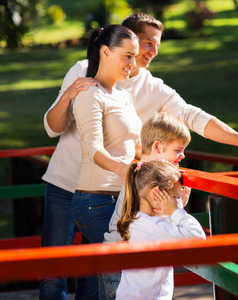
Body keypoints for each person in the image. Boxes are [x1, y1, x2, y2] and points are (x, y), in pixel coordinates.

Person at [40, 12, 238, 300]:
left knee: (97, 275)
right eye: (147, 43)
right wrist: (68, 97)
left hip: (115, 192)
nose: (151, 52)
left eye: (156, 46)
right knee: (53, 276)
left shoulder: (150, 88)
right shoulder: (83, 71)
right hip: (68, 185)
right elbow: (53, 129)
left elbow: (192, 116)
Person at [70, 24, 141, 299]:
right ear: (105, 52)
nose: (132, 64)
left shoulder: (123, 96)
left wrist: (162, 160)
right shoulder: (90, 94)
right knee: (118, 278)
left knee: (108, 280)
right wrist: (124, 170)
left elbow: (134, 146)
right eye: (127, 56)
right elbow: (93, 149)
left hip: (121, 197)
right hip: (96, 200)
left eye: (134, 57)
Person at [99, 112, 191, 299]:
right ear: (157, 146)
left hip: (113, 258)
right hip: (126, 266)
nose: (182, 156)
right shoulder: (155, 181)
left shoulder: (139, 173)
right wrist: (177, 205)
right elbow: (162, 220)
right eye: (178, 150)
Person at [115, 160, 206, 300]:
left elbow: (166, 222)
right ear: (155, 194)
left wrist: (175, 206)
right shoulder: (154, 227)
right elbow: (198, 238)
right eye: (175, 197)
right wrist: (176, 211)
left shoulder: (136, 217)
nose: (176, 201)